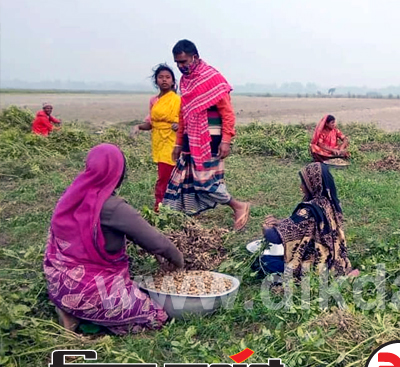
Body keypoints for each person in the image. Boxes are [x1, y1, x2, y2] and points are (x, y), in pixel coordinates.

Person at [43, 144, 183, 334]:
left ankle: (69, 310)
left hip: (59, 285)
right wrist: (178, 261)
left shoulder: (70, 198)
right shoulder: (112, 207)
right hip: (91, 292)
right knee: (156, 316)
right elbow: (158, 242)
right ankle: (93, 315)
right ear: (118, 173)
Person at [163, 40, 250, 230]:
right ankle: (187, 221)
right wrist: (178, 143)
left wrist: (226, 140)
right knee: (186, 179)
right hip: (189, 137)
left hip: (210, 139)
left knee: (204, 181)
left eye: (184, 62)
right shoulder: (186, 82)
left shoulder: (212, 78)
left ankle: (238, 206)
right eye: (177, 63)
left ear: (195, 57)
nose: (181, 67)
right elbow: (183, 113)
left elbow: (227, 112)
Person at [258, 162, 356, 279]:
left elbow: (276, 238)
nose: (301, 186)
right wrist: (280, 223)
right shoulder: (332, 205)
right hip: (334, 262)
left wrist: (267, 229)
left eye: (304, 183)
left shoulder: (308, 211)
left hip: (312, 267)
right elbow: (300, 226)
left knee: (263, 261)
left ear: (313, 184)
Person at [130, 64, 180, 211]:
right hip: (158, 140)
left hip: (173, 141)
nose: (164, 80)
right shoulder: (154, 101)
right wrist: (138, 127)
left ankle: (161, 207)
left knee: (167, 176)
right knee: (164, 175)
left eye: (167, 77)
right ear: (156, 81)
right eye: (161, 77)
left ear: (172, 81)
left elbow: (185, 120)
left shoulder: (178, 100)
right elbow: (151, 123)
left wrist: (179, 125)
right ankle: (162, 207)